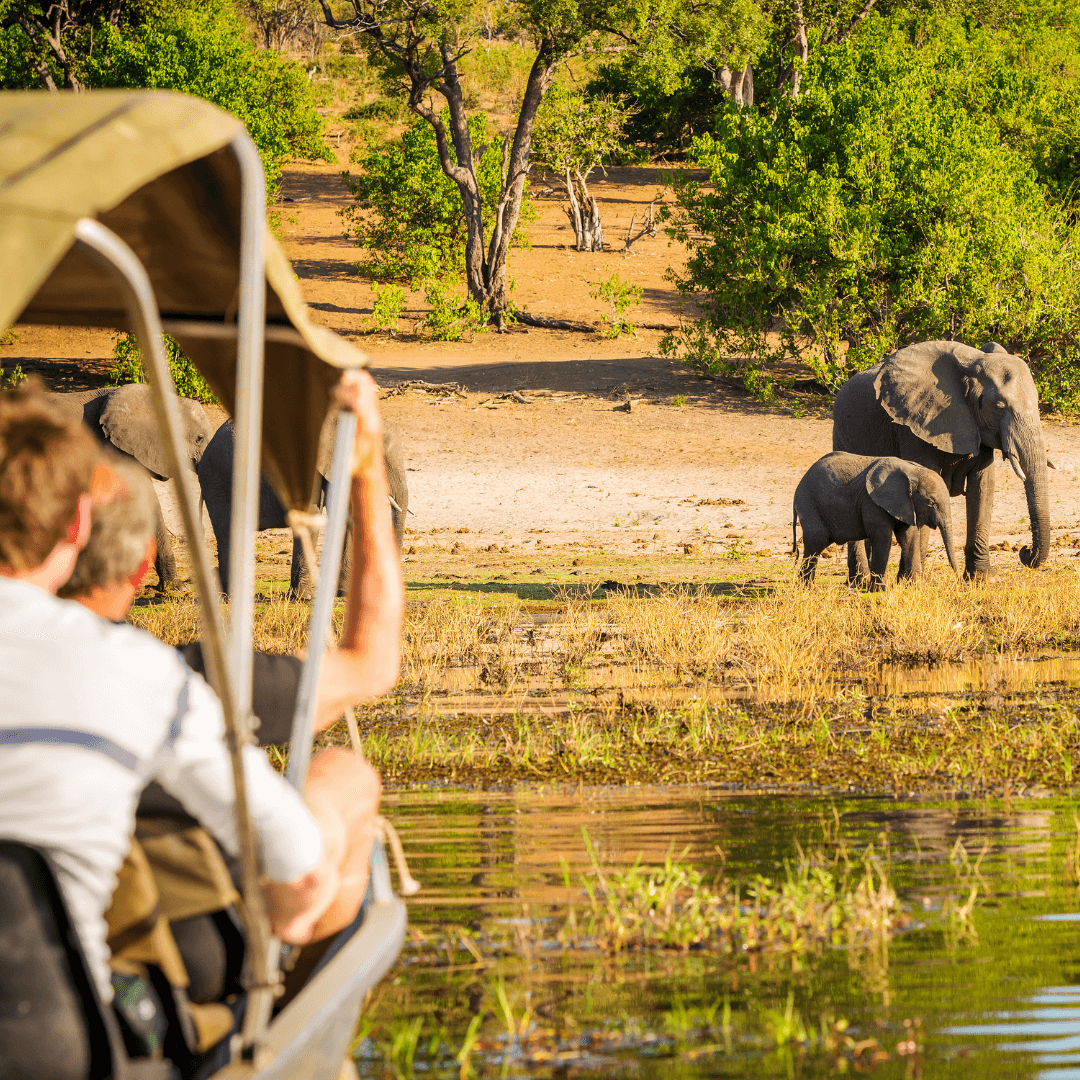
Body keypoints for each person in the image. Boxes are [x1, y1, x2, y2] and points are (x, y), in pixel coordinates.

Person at [0, 372, 402, 1071]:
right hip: (62, 1047)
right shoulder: (143, 678)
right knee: (337, 788)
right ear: (76, 527)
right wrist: (361, 463)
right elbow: (302, 866)